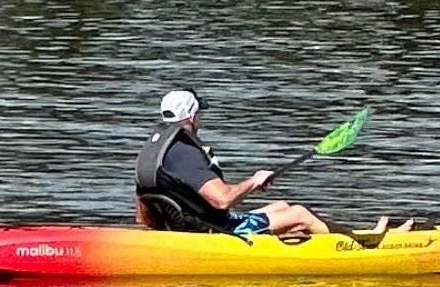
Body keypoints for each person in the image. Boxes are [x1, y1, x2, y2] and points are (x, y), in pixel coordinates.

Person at [136, 86, 333, 242]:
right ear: (192, 117)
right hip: (213, 233)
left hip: (184, 227)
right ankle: (348, 251)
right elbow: (223, 200)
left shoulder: (155, 148)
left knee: (281, 206)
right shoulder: (185, 152)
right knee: (299, 214)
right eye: (198, 116)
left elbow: (142, 213)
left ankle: (284, 253)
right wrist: (254, 181)